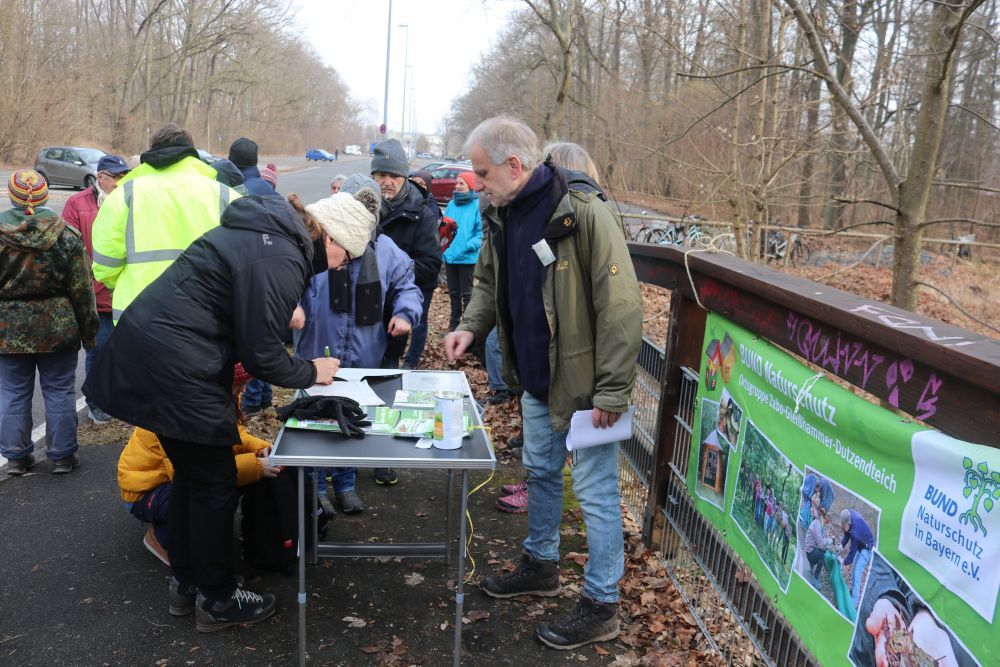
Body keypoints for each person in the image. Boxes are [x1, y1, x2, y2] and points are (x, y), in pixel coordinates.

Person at [83, 192, 342, 633]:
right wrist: (311, 371)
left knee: (193, 479)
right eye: (344, 256)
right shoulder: (282, 253)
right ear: (331, 236)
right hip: (177, 368)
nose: (338, 266)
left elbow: (239, 315)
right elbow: (262, 355)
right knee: (215, 486)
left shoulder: (260, 236)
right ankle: (219, 599)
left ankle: (187, 584)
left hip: (153, 358)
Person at [445, 116, 643, 650]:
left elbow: (622, 307)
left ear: (514, 165)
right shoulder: (502, 213)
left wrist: (611, 391)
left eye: (483, 172)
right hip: (534, 378)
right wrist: (470, 325)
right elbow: (488, 281)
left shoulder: (582, 212)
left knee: (597, 494)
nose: (477, 182)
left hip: (586, 390)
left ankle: (602, 604)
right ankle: (540, 564)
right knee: (541, 472)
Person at [291, 179, 422, 514]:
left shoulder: (389, 253)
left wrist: (406, 313)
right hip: (316, 359)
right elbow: (291, 284)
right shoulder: (316, 246)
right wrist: (295, 308)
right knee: (316, 427)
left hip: (364, 360)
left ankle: (346, 486)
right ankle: (317, 488)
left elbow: (408, 287)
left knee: (352, 423)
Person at [118, 363, 280, 566]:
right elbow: (190, 470)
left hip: (167, 478)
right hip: (144, 492)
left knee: (228, 486)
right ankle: (162, 538)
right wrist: (255, 466)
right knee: (205, 493)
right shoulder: (181, 408)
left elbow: (232, 435)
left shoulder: (219, 395)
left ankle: (197, 536)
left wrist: (261, 447)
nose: (245, 390)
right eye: (240, 385)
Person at [91, 123, 241, 323]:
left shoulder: (124, 195)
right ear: (192, 153)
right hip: (206, 317)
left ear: (152, 151)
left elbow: (105, 265)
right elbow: (243, 261)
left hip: (138, 316)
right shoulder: (225, 195)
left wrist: (127, 285)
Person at [0, 170, 98, 475]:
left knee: (13, 390)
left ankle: (16, 457)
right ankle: (62, 456)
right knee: (59, 390)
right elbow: (82, 289)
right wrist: (89, 332)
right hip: (58, 327)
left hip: (8, 328)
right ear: (43, 197)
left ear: (12, 196)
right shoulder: (66, 235)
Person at [61, 154, 131, 423]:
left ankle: (119, 399)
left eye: (123, 176)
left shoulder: (129, 200)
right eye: (115, 176)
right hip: (95, 296)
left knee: (125, 352)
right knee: (98, 352)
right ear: (100, 177)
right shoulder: (77, 203)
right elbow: (69, 249)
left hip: (125, 293)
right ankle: (96, 403)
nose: (119, 181)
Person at [371, 138, 441, 375]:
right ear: (372, 177)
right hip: (355, 315)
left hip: (392, 315)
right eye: (381, 175)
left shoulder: (421, 214)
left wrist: (391, 271)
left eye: (395, 176)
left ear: (404, 177)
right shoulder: (360, 207)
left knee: (384, 378)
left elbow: (431, 266)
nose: (387, 182)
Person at [442, 172, 482, 331]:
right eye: (457, 183)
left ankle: (467, 327)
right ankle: (453, 325)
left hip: (467, 257)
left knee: (467, 294)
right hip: (450, 256)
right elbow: (444, 228)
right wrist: (443, 247)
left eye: (462, 183)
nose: (457, 186)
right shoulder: (452, 204)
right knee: (453, 293)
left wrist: (468, 245)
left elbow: (481, 233)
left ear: (471, 186)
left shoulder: (477, 205)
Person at [839, 508, 875, 610]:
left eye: (844, 525)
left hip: (867, 547)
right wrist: (841, 545)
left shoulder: (855, 532)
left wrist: (843, 562)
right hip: (861, 542)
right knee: (854, 569)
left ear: (849, 522)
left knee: (857, 573)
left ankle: (853, 605)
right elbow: (847, 533)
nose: (844, 527)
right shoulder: (847, 513)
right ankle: (852, 591)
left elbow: (852, 553)